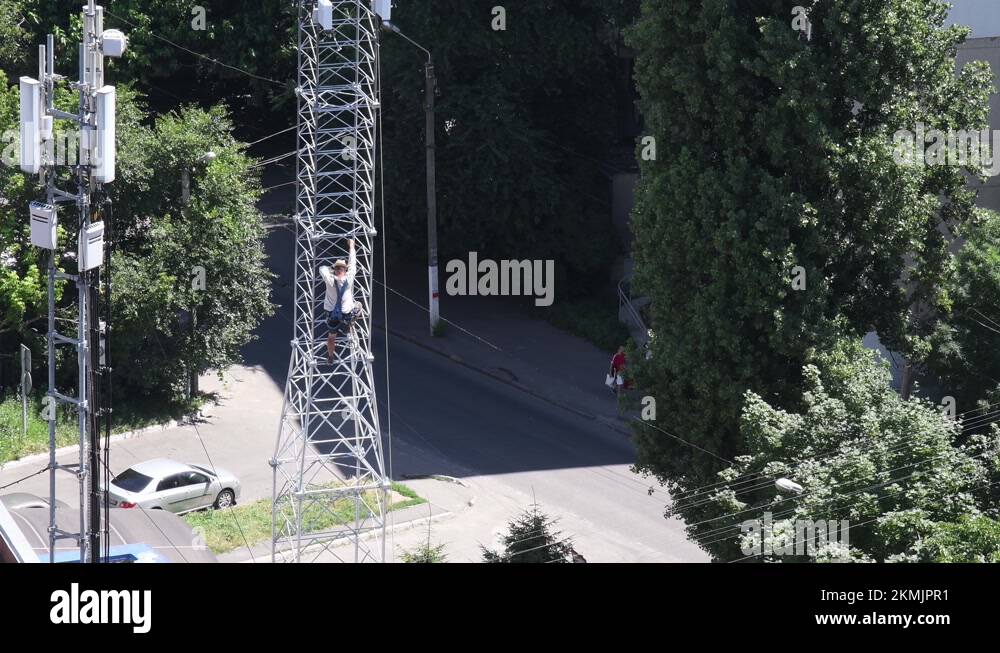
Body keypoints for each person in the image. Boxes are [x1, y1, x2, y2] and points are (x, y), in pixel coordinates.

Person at [319, 238, 357, 364]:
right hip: (347, 313)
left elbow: (322, 268)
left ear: (335, 269)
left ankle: (330, 356)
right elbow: (352, 262)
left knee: (331, 337)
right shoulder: (349, 277)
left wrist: (331, 271)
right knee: (359, 306)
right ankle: (349, 324)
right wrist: (351, 246)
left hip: (332, 314)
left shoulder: (329, 279)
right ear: (345, 270)